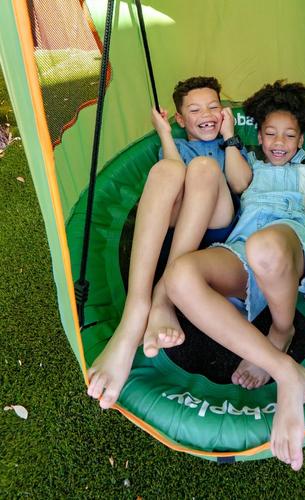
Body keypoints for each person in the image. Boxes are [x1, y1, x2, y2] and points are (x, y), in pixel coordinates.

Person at [161, 81, 305, 470]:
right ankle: (282, 368)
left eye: (289, 135)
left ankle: (281, 331)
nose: (278, 142)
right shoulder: (250, 165)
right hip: (242, 246)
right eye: (270, 133)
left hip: (287, 240)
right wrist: (230, 137)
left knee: (264, 246)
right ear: (260, 136)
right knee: (180, 274)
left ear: (301, 139)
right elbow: (238, 183)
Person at [87, 76, 252, 409]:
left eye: (214, 107)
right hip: (180, 228)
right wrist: (164, 132)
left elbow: (240, 183)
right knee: (167, 170)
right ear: (181, 119)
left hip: (216, 227)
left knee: (204, 168)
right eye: (195, 110)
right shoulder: (178, 147)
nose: (207, 114)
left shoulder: (229, 146)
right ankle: (137, 310)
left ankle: (161, 297)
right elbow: (172, 167)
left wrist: (230, 136)